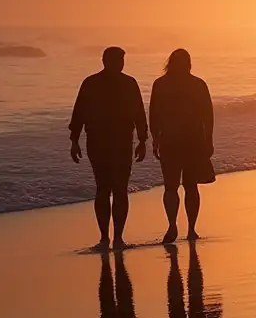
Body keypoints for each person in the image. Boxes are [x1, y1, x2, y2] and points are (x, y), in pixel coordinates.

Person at [69, 47, 148, 251]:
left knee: (117, 189)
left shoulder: (128, 83)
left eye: (122, 60)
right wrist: (74, 140)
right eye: (118, 60)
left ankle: (117, 238)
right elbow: (79, 113)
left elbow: (139, 113)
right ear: (105, 61)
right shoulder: (92, 83)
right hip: (99, 142)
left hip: (121, 142)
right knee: (105, 188)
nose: (121, 64)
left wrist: (142, 139)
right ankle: (106, 237)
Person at [149, 49, 214, 244]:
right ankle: (191, 229)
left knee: (171, 187)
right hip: (193, 141)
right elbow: (208, 116)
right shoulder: (197, 84)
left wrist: (155, 138)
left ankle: (172, 225)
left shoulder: (160, 84)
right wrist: (208, 140)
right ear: (189, 64)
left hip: (170, 141)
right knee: (190, 186)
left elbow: (154, 114)